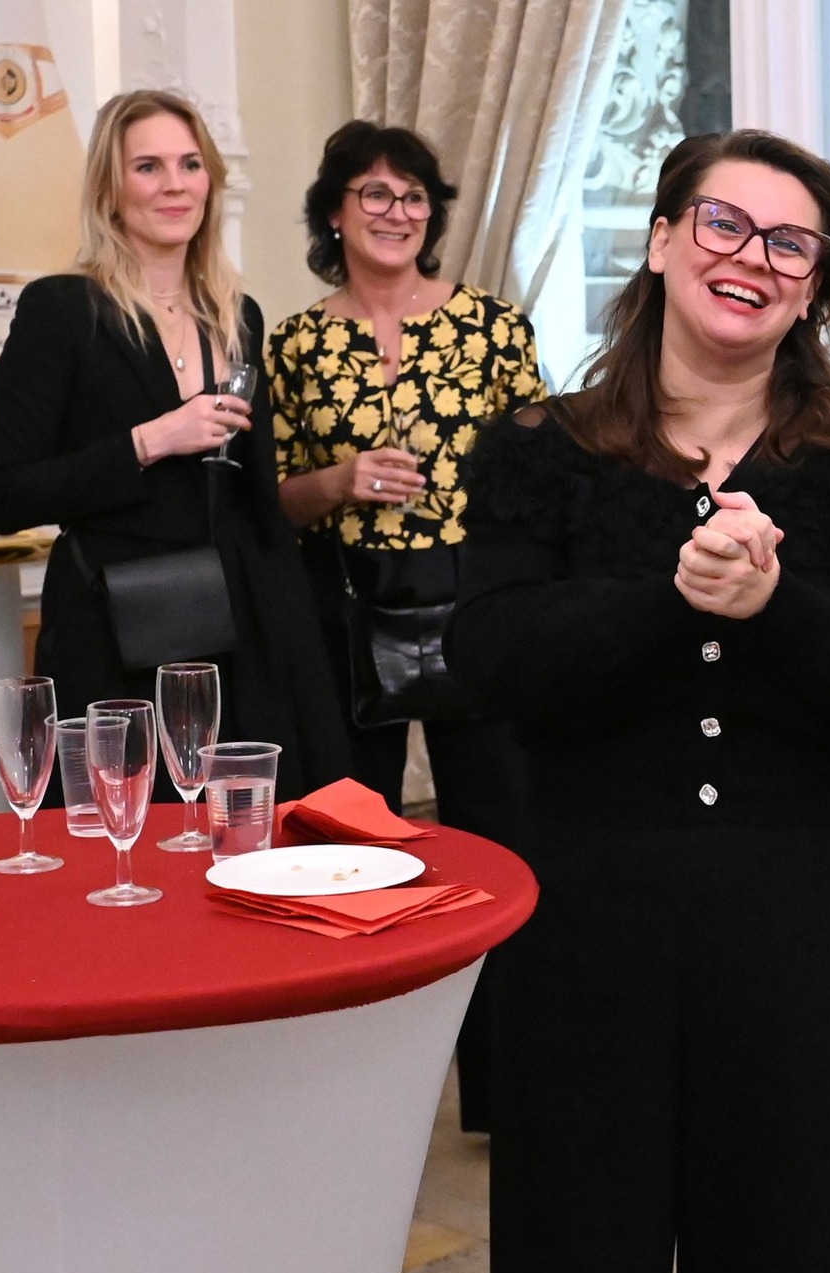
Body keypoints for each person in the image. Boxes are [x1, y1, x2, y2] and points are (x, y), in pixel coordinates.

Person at [446, 129, 830, 1273]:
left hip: (803, 930)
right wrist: (669, 598)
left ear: (815, 288)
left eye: (791, 244)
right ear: (663, 240)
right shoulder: (539, 449)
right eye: (724, 224)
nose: (751, 258)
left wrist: (776, 606)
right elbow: (492, 660)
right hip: (586, 927)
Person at [268, 121, 545, 1133]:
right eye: (375, 194)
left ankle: (513, 1095)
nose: (397, 212)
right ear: (334, 214)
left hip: (478, 613)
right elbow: (270, 505)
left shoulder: (493, 327)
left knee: (499, 847)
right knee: (353, 855)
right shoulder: (295, 344)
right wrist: (339, 481)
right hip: (345, 615)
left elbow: (544, 474)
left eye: (414, 195)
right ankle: (360, 1098)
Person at [0, 89, 347, 799]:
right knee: (124, 840)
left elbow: (257, 501)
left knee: (251, 835)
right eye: (148, 167)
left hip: (240, 633)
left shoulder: (238, 316)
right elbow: (8, 496)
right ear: (110, 189)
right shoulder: (62, 309)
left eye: (190, 164)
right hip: (112, 635)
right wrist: (149, 441)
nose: (175, 185)